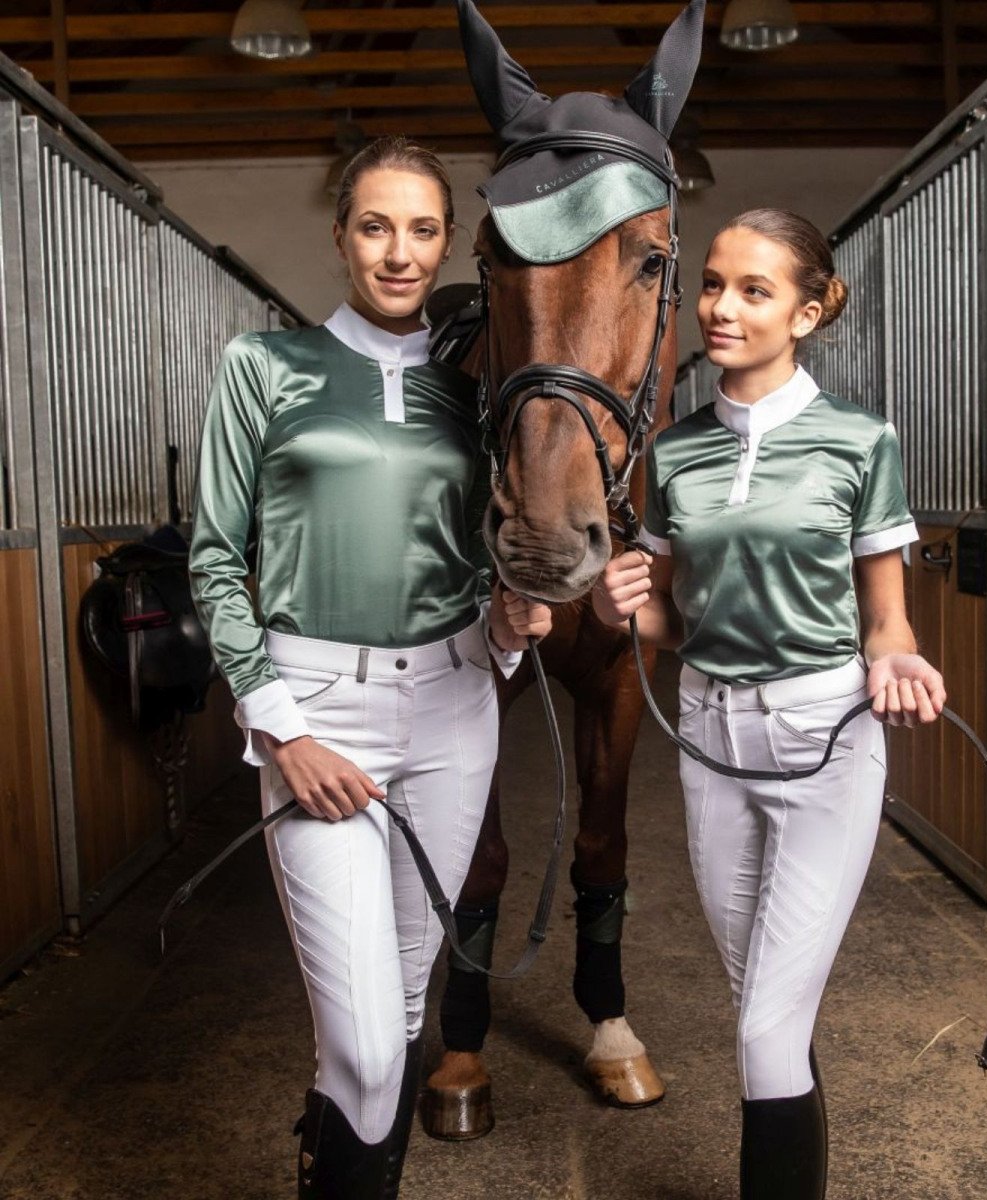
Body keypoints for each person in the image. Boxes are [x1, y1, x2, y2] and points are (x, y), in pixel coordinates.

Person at [188, 136, 551, 1199]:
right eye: (377, 226)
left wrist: (511, 621)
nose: (400, 253)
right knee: (364, 1035)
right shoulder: (264, 367)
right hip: (318, 713)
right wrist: (281, 728)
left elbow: (480, 559)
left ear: (449, 244)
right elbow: (214, 557)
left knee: (395, 1011)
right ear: (342, 235)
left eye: (423, 230)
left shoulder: (474, 398)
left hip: (452, 709)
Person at [593, 208, 946, 1198]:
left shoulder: (860, 440)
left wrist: (900, 662)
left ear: (807, 311)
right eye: (712, 283)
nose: (721, 307)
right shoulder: (675, 453)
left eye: (754, 290)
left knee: (764, 1025)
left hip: (825, 738)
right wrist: (622, 604)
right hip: (710, 739)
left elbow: (887, 621)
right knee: (762, 1006)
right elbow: (670, 618)